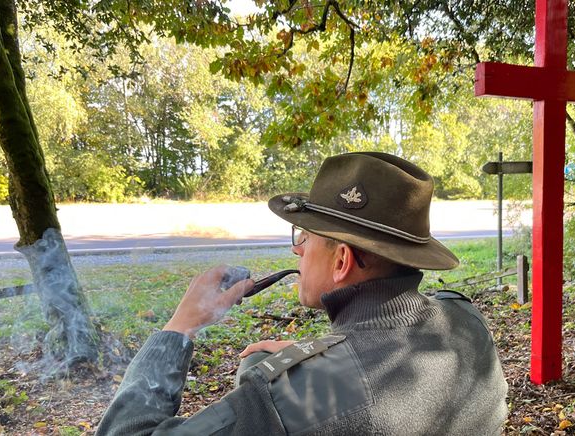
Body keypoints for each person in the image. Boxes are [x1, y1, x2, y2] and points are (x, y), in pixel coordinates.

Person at [97, 152, 508, 435]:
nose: (297, 249)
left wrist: (180, 327)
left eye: (305, 237)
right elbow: (385, 368)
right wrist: (325, 355)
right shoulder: (464, 320)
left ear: (342, 260)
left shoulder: (312, 392)